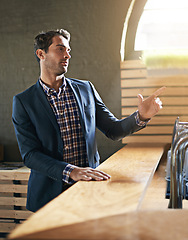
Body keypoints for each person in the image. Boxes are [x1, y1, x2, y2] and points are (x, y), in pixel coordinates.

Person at [12, 29, 165, 212]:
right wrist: (71, 171)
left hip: (88, 188)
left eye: (68, 50)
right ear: (41, 54)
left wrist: (141, 116)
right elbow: (30, 155)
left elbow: (114, 130)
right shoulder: (24, 101)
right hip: (48, 196)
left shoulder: (86, 89)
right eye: (60, 49)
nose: (67, 55)